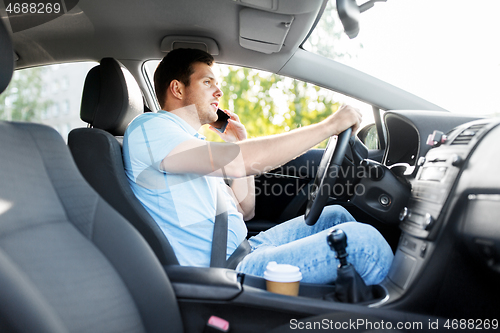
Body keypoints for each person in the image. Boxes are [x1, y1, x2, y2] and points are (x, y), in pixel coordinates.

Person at [123, 48, 393, 285]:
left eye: (218, 84)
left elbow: (245, 210)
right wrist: (328, 126)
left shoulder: (189, 142)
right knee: (365, 245)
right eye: (207, 82)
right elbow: (239, 162)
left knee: (335, 215)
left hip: (245, 248)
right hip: (225, 271)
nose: (219, 91)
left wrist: (239, 140)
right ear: (178, 89)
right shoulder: (150, 129)